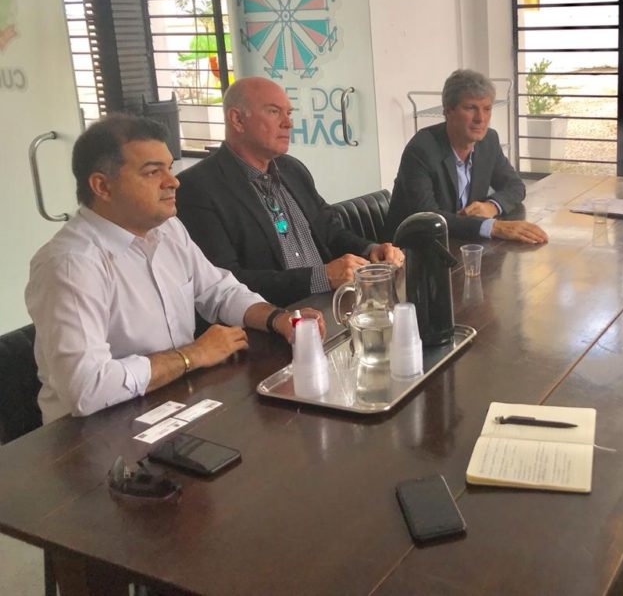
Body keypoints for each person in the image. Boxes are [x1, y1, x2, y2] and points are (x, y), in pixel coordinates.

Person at [25, 115, 319, 423]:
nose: (173, 181)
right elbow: (87, 387)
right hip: (93, 432)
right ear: (102, 186)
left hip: (172, 400)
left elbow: (219, 291)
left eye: (169, 167)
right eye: (153, 172)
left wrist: (279, 319)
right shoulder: (71, 264)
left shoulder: (168, 229)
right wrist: (192, 355)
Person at [175, 77, 404, 307]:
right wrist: (321, 277)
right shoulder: (197, 188)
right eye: (274, 112)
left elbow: (330, 232)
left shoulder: (292, 169)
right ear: (237, 119)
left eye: (289, 113)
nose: (288, 123)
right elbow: (223, 283)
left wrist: (371, 250)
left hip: (330, 304)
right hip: (270, 316)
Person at [383, 69, 548, 243]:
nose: (480, 118)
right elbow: (428, 218)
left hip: (463, 242)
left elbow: (515, 186)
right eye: (471, 108)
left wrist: (492, 206)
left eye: (487, 109)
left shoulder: (489, 141)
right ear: (448, 110)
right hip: (411, 248)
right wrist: (492, 227)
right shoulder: (421, 149)